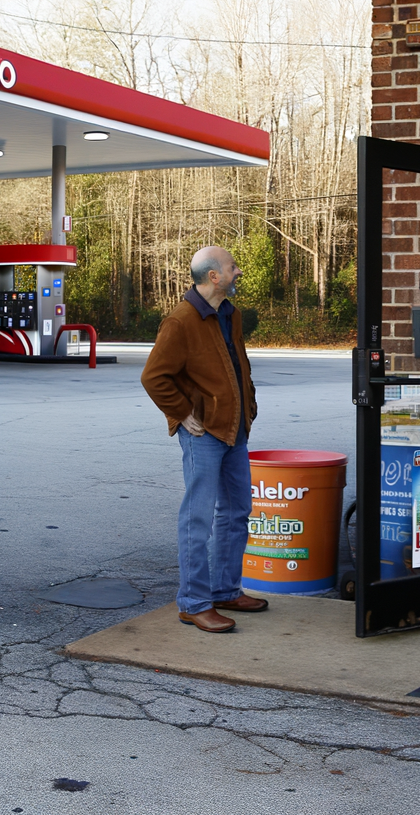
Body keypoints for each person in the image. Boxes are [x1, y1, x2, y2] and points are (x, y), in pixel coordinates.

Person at [141, 246, 265, 633]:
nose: (238, 270)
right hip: (205, 434)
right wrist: (182, 413)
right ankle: (194, 603)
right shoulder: (180, 321)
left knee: (236, 512)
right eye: (232, 266)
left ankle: (226, 590)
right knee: (198, 520)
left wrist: (250, 403)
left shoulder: (231, 314)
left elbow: (237, 364)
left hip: (235, 429)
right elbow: (153, 376)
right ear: (214, 276)